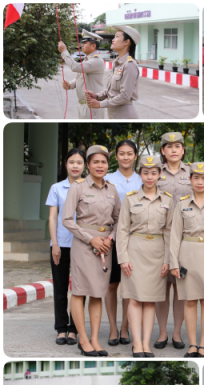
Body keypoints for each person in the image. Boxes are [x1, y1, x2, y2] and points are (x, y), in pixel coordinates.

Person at [62, 145, 122, 357]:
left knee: (98, 293)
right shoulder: (78, 187)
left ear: (108, 164)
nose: (100, 165)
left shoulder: (112, 189)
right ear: (88, 165)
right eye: (95, 162)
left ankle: (96, 340)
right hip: (84, 245)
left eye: (103, 162)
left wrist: (109, 240)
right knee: (79, 291)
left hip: (105, 246)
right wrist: (91, 239)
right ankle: (84, 339)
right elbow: (67, 220)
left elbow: (119, 221)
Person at [169, 162, 204, 358]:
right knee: (189, 301)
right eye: (196, 177)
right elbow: (175, 236)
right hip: (187, 254)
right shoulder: (182, 203)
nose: (199, 182)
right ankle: (192, 344)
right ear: (190, 180)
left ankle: (203, 345)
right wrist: (174, 263)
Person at [117, 156, 171, 357]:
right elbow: (122, 230)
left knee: (151, 300)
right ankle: (136, 343)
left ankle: (146, 344)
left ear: (159, 174)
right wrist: (122, 257)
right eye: (146, 172)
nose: (150, 177)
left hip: (158, 251)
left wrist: (168, 259)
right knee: (134, 299)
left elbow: (169, 231)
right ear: (140, 174)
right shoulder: (130, 198)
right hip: (135, 250)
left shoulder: (167, 199)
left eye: (154, 172)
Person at [154, 133, 191, 351]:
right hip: (160, 237)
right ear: (162, 151)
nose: (174, 150)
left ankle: (177, 331)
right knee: (162, 286)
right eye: (169, 147)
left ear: (183, 150)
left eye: (178, 146)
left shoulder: (192, 172)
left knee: (180, 288)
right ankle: (161, 332)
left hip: (186, 238)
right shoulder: (156, 173)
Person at [106, 140, 142, 348]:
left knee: (129, 286)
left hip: (135, 241)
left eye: (129, 153)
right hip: (113, 238)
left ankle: (125, 327)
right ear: (116, 156)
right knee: (112, 285)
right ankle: (112, 327)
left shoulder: (142, 179)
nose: (126, 157)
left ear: (135, 156)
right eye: (121, 153)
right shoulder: (108, 179)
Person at [47, 149, 85, 346]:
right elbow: (53, 217)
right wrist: (54, 243)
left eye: (79, 162)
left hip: (83, 245)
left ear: (84, 165)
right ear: (65, 164)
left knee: (79, 289)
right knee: (61, 288)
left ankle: (74, 329)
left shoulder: (89, 187)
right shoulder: (56, 188)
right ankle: (61, 328)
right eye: (71, 162)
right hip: (61, 244)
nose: (75, 166)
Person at [85, 26, 139, 118]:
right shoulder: (116, 63)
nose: (113, 40)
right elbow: (110, 90)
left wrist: (99, 104)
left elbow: (125, 96)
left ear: (126, 42)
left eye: (117, 36)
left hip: (124, 113)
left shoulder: (130, 64)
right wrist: (97, 96)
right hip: (113, 112)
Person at [58, 30, 105, 119]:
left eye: (85, 43)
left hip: (91, 105)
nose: (81, 45)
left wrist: (64, 51)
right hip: (84, 105)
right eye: (82, 43)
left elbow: (75, 67)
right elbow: (79, 77)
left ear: (93, 46)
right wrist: (70, 84)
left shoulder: (96, 61)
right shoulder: (87, 60)